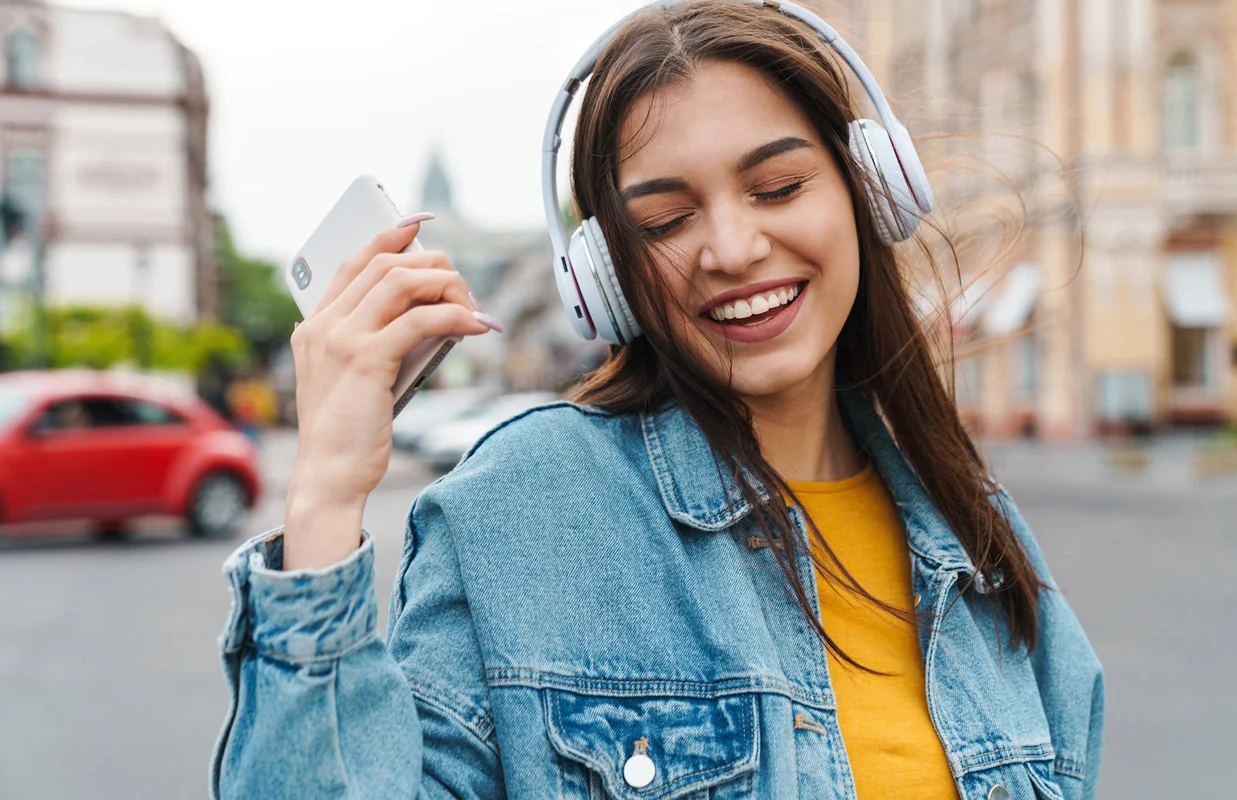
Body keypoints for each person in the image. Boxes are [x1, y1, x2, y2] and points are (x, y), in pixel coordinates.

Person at [210, 2, 1103, 798]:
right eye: (665, 222)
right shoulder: (524, 506)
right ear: (607, 277)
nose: (733, 247)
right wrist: (325, 492)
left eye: (779, 186)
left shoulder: (980, 536)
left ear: (871, 186)